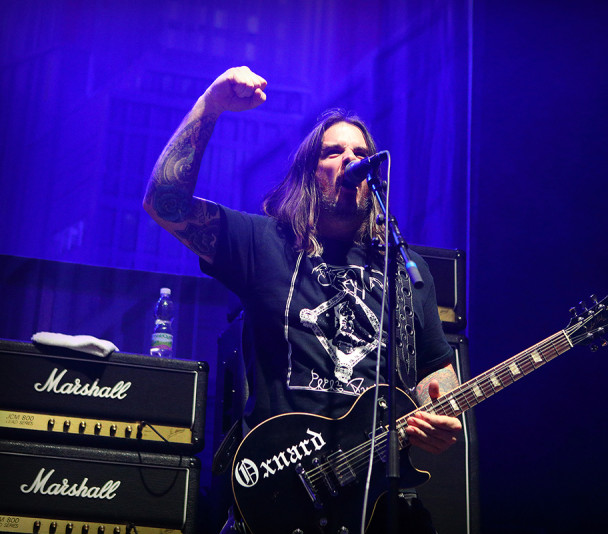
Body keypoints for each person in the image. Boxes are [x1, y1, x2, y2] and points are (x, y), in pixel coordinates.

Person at [143, 66, 462, 533]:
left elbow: (435, 368)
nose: (350, 160)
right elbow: (165, 202)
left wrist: (443, 411)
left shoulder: (404, 268)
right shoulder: (264, 243)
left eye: (361, 153)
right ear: (310, 173)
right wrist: (211, 105)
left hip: (377, 501)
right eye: (333, 151)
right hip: (281, 491)